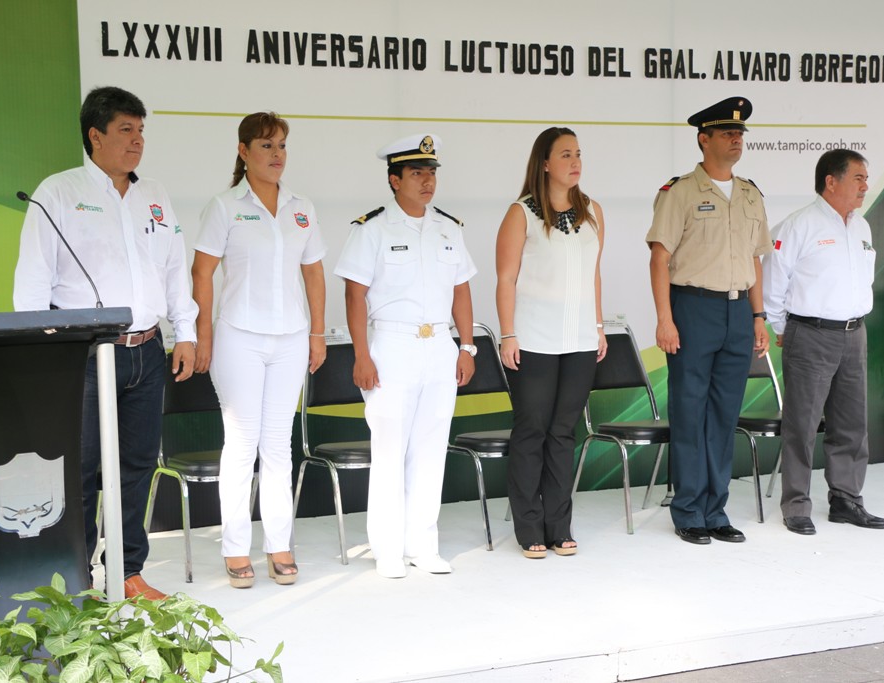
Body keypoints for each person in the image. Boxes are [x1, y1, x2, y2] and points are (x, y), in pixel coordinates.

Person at [14, 86, 198, 600]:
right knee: (82, 471)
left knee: (137, 467)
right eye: (125, 131)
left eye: (141, 131)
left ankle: (127, 571)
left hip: (147, 352)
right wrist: (40, 356)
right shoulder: (58, 193)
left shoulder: (155, 195)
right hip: (84, 356)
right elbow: (33, 283)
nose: (137, 141)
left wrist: (186, 332)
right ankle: (77, 576)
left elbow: (173, 269)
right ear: (94, 136)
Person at [191, 112, 327, 588]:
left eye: (283, 146)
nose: (277, 155)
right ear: (244, 151)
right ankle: (234, 549)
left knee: (277, 446)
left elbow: (313, 273)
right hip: (238, 338)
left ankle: (279, 545)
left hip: (291, 338)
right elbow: (202, 273)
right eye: (267, 146)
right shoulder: (225, 206)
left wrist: (317, 334)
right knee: (243, 444)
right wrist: (202, 334)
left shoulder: (301, 206)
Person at [334, 134, 477, 578]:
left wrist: (467, 346)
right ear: (394, 180)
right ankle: (388, 549)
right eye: (416, 173)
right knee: (391, 450)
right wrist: (361, 354)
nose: (427, 181)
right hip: (391, 345)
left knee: (431, 449)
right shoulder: (372, 228)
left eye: (431, 172)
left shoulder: (448, 227)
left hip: (439, 345)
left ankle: (423, 544)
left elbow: (461, 289)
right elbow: (354, 294)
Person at [645, 96, 771, 545]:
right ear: (704, 139)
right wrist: (665, 319)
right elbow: (660, 259)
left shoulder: (751, 193)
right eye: (726, 134)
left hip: (739, 312)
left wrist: (758, 316)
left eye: (739, 134)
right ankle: (688, 511)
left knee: (723, 415)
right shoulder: (679, 192)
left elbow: (756, 262)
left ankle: (716, 511)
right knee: (690, 411)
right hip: (693, 308)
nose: (736, 140)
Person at [762, 149, 884, 535]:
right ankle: (797, 503)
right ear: (830, 181)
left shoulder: (861, 227)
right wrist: (785, 327)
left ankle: (846, 500)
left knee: (851, 423)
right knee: (801, 423)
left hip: (854, 333)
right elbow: (772, 283)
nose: (865, 185)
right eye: (858, 178)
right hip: (811, 333)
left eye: (866, 178)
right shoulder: (798, 225)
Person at [495, 127, 607, 559]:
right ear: (544, 163)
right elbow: (506, 278)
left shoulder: (593, 211)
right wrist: (508, 334)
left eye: (578, 154)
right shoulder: (521, 213)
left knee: (564, 433)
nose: (575, 162)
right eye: (565, 155)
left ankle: (560, 526)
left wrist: (597, 326)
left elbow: (593, 274)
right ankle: (529, 527)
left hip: (578, 340)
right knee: (532, 432)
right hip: (533, 340)